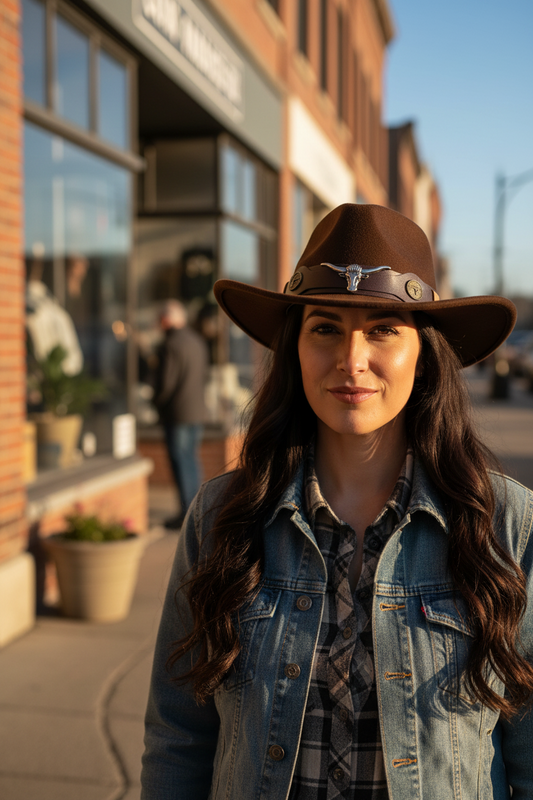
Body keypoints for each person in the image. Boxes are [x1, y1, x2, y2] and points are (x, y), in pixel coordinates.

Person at [141, 204, 533, 799]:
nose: (352, 360)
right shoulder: (222, 517)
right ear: (294, 349)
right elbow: (179, 736)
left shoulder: (506, 523)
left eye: (383, 329)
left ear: (424, 351)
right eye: (325, 327)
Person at [153, 299, 208, 529]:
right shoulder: (197, 341)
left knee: (182, 463)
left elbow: (166, 383)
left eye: (160, 320)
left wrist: (155, 403)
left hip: (177, 414)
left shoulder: (171, 344)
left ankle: (187, 515)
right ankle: (197, 510)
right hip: (197, 411)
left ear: (166, 319)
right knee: (191, 460)